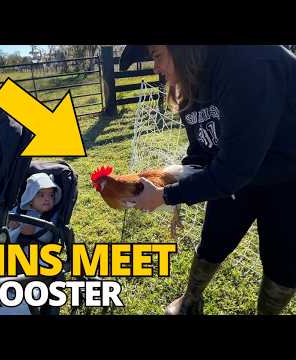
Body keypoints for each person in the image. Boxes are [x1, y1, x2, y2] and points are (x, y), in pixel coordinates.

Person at [119, 45, 296, 315]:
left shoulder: (247, 64)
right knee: (214, 238)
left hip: (288, 177)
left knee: (282, 260)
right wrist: (170, 178)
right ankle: (190, 301)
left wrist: (166, 196)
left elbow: (233, 169)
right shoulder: (192, 85)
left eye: (156, 56)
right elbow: (203, 150)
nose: (155, 68)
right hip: (234, 174)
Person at [8, 173, 62, 246]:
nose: (47, 199)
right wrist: (10, 223)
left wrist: (35, 231)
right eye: (41, 195)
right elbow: (6, 217)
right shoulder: (20, 210)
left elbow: (51, 236)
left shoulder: (52, 215)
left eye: (51, 195)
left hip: (37, 247)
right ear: (30, 198)